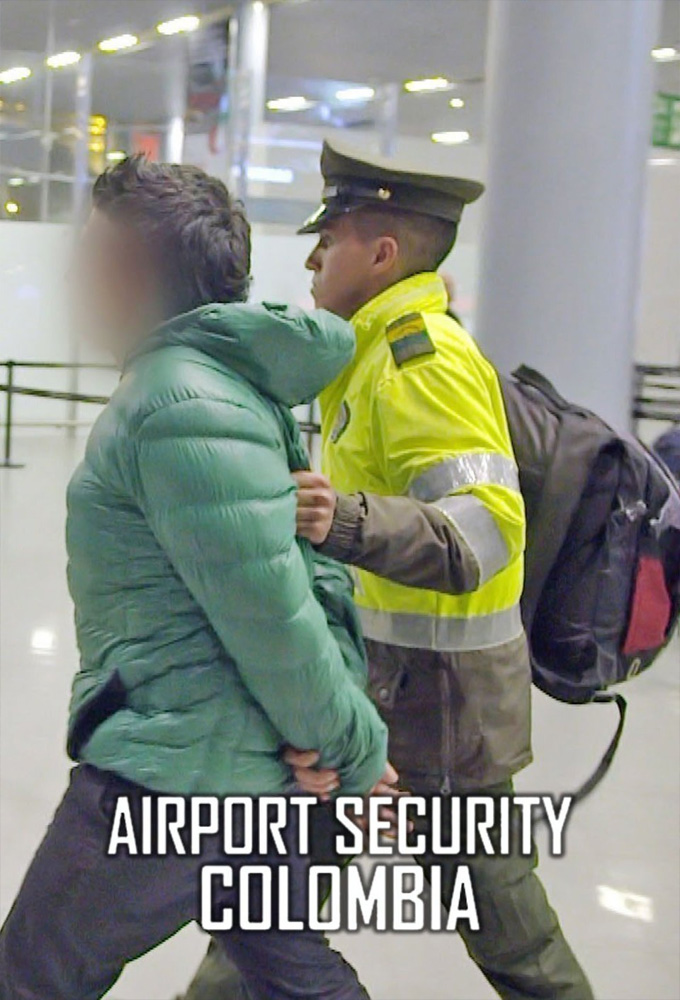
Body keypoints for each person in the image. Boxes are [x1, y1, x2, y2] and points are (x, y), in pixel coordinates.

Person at [184, 140, 593, 1000]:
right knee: (271, 907)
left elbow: (485, 532)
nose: (311, 255)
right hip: (375, 694)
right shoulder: (366, 356)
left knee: (511, 937)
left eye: (328, 237)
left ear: (382, 255)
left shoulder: (421, 362)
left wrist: (347, 520)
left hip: (445, 717)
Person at [0, 155, 392, 1000]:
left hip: (172, 777)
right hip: (234, 768)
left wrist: (354, 750)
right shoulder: (211, 387)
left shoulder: (177, 402)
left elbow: (271, 610)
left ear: (134, 276)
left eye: (91, 258)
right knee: (293, 975)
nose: (73, 277)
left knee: (28, 978)